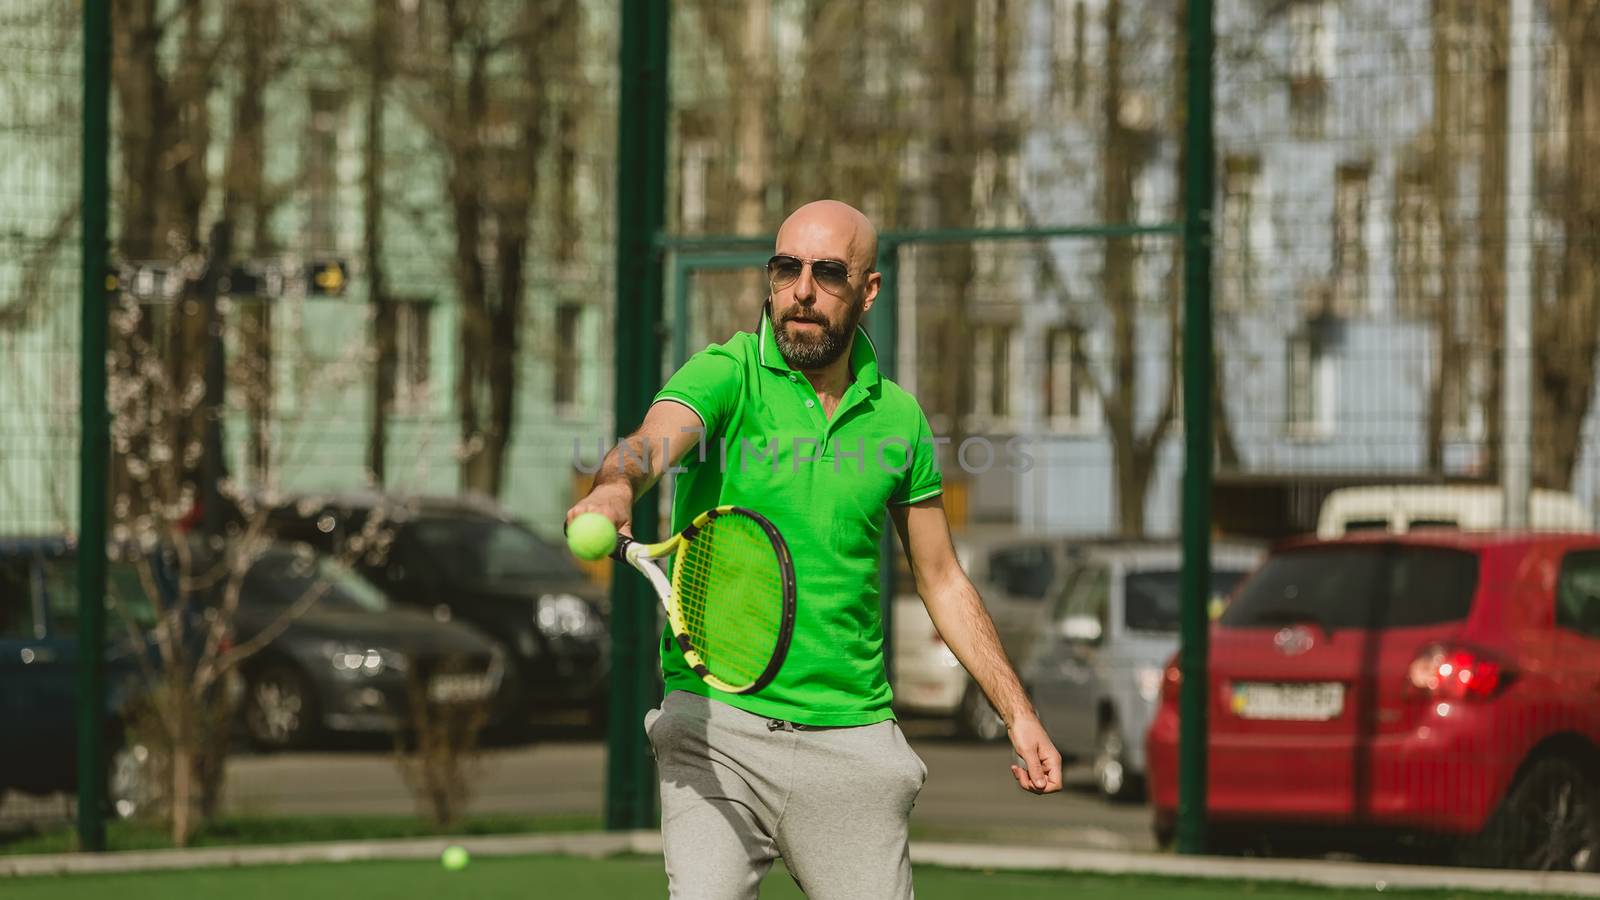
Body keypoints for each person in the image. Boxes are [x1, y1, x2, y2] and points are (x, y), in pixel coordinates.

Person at [565, 199, 1062, 899]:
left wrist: (1019, 712)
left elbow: (943, 580)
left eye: (828, 272)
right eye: (785, 268)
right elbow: (651, 440)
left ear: (869, 290)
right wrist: (617, 487)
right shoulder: (727, 373)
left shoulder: (899, 419)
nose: (801, 289)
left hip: (852, 740)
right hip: (716, 730)